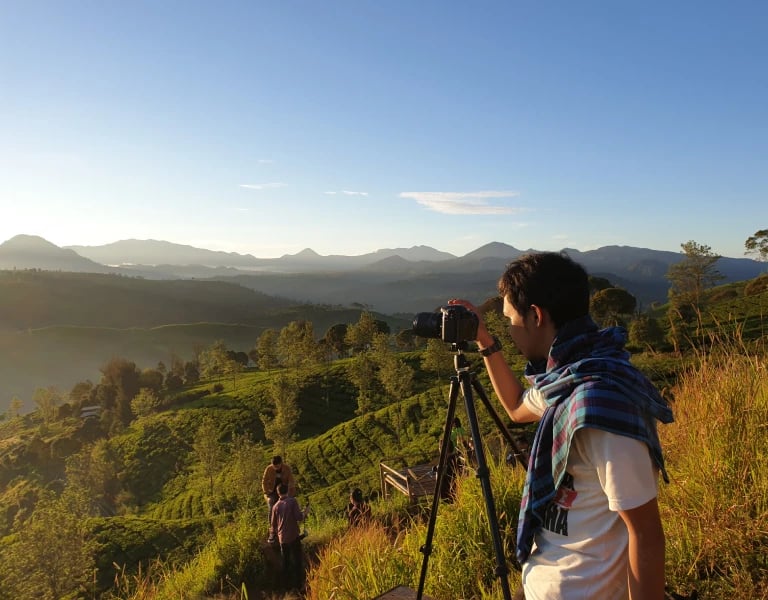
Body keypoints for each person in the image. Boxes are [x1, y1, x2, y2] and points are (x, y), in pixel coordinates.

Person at [449, 251, 673, 600]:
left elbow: (645, 534)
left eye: (510, 321)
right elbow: (516, 407)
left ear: (536, 316)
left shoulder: (601, 409)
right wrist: (485, 340)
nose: (509, 332)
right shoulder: (567, 379)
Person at [270, 483, 309, 590]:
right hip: (293, 537)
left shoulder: (275, 507)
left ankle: (286, 587)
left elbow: (273, 525)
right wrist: (305, 512)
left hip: (282, 538)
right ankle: (299, 586)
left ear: (278, 493)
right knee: (297, 562)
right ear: (287, 490)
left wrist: (272, 537)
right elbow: (299, 517)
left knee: (285, 563)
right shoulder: (292, 501)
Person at [262, 455, 296, 542]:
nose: (275, 468)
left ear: (281, 464)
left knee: (288, 505)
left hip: (284, 491)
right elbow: (264, 481)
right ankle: (272, 531)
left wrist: (288, 494)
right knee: (272, 506)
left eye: (277, 466)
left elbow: (291, 481)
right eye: (274, 466)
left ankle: (290, 529)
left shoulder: (287, 468)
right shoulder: (269, 469)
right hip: (272, 491)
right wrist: (267, 492)